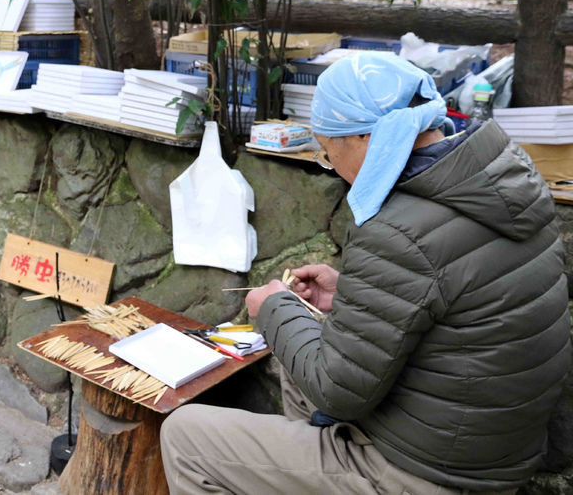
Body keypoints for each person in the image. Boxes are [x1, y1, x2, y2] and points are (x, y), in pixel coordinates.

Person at [161, 52, 571, 494]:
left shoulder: (399, 228)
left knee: (185, 435)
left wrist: (274, 308)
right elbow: (458, 304)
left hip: (430, 473)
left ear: (364, 139)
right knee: (304, 367)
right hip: (486, 444)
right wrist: (349, 295)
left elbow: (337, 389)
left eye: (328, 151)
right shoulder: (503, 186)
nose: (333, 167)